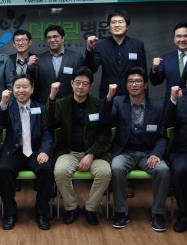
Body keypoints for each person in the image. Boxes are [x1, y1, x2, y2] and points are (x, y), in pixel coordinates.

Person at [100, 67, 170, 232]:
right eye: (130, 81)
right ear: (126, 85)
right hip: (125, 151)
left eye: (138, 81)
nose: (134, 84)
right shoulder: (118, 102)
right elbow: (104, 120)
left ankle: (158, 213)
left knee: (163, 170)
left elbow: (162, 137)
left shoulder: (157, 107)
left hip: (148, 153)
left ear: (145, 85)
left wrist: (156, 154)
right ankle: (121, 212)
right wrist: (109, 98)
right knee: (116, 167)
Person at [45, 66, 112, 226]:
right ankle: (72, 207)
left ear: (91, 86)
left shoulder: (99, 105)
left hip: (94, 153)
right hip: (69, 151)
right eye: (77, 83)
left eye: (85, 84)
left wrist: (91, 154)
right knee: (60, 171)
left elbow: (106, 136)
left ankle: (90, 208)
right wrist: (52, 97)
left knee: (105, 172)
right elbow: (50, 122)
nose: (80, 87)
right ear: (72, 84)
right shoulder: (62, 103)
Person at [0, 74, 53, 230]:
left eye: (25, 87)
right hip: (14, 151)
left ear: (32, 89)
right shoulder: (8, 107)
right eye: (17, 87)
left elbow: (47, 133)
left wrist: (45, 151)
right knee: (4, 169)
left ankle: (41, 213)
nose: (21, 90)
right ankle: (10, 214)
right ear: (12, 89)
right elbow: (0, 124)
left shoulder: (40, 108)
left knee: (46, 169)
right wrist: (3, 104)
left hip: (35, 152)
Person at [84, 9, 147, 99]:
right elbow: (91, 69)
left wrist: (144, 98)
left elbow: (143, 73)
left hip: (132, 95)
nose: (117, 25)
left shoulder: (137, 45)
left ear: (127, 26)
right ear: (109, 26)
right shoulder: (101, 47)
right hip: (108, 95)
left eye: (120, 22)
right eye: (113, 22)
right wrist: (89, 50)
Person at [161, 85, 187, 232]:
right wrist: (173, 100)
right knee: (179, 170)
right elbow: (167, 123)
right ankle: (184, 214)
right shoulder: (180, 102)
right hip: (182, 150)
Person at [35, 25, 83, 104]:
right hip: (46, 103)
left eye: (55, 36)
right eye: (49, 38)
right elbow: (35, 83)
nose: (52, 40)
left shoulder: (76, 58)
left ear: (63, 38)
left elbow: (80, 81)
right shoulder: (39, 59)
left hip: (69, 103)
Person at [150, 21, 187, 108]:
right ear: (174, 39)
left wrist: (183, 92)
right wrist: (154, 68)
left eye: (185, 36)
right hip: (171, 107)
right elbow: (156, 82)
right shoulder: (166, 58)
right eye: (179, 36)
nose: (182, 39)